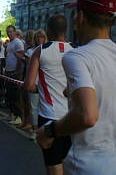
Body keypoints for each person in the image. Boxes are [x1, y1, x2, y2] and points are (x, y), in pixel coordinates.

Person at [37, 0, 116, 175]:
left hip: (91, 168)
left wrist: (49, 131)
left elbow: (87, 116)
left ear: (80, 17)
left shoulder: (77, 57)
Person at [25, 15, 73, 175]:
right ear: (66, 29)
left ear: (49, 30)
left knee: (54, 165)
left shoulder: (40, 51)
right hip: (71, 117)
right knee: (65, 160)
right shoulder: (75, 52)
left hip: (49, 116)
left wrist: (42, 88)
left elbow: (29, 85)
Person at [4, 25, 25, 125]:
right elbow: (7, 55)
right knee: (10, 94)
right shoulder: (10, 43)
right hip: (8, 70)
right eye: (8, 32)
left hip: (15, 72)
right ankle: (12, 113)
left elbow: (20, 57)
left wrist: (17, 70)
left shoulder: (18, 42)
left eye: (11, 31)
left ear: (15, 32)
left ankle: (19, 116)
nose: (9, 33)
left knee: (15, 94)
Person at [19, 29, 35, 131]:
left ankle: (28, 122)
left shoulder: (31, 50)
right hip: (27, 75)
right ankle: (26, 121)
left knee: (28, 102)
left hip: (28, 76)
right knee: (26, 101)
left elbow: (28, 65)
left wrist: (21, 58)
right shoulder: (30, 49)